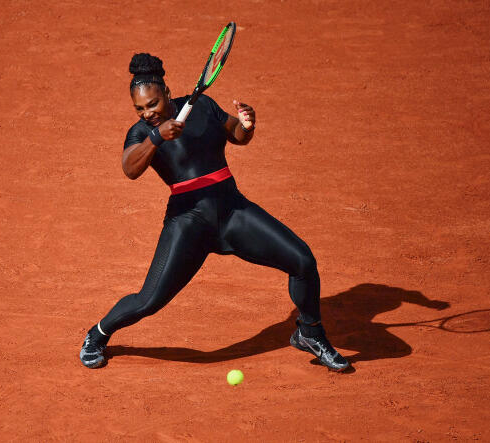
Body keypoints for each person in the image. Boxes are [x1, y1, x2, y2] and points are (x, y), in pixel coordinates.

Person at [80, 53, 349, 372]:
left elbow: (236, 133)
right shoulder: (141, 133)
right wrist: (157, 136)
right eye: (140, 109)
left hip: (233, 213)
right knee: (149, 300)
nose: (147, 113)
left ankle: (310, 332)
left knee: (302, 261)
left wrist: (248, 125)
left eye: (152, 104)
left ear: (166, 93)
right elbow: (130, 168)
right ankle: (97, 334)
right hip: (188, 224)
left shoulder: (203, 106)